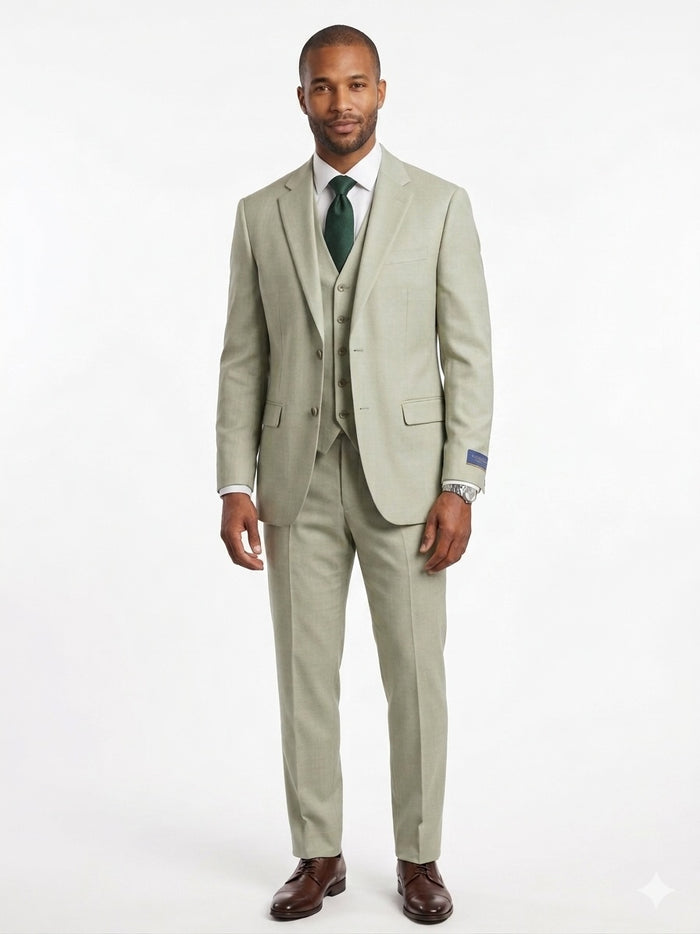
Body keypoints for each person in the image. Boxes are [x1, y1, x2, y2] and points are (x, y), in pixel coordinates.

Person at [216, 24, 493, 924]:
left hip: (408, 487)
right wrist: (234, 483)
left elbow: (469, 356)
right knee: (305, 678)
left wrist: (462, 483)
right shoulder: (259, 213)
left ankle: (419, 856)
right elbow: (243, 359)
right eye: (324, 86)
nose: (342, 102)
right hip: (295, 480)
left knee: (415, 677)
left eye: (357, 84)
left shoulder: (439, 204)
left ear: (381, 90)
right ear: (302, 97)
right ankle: (318, 852)